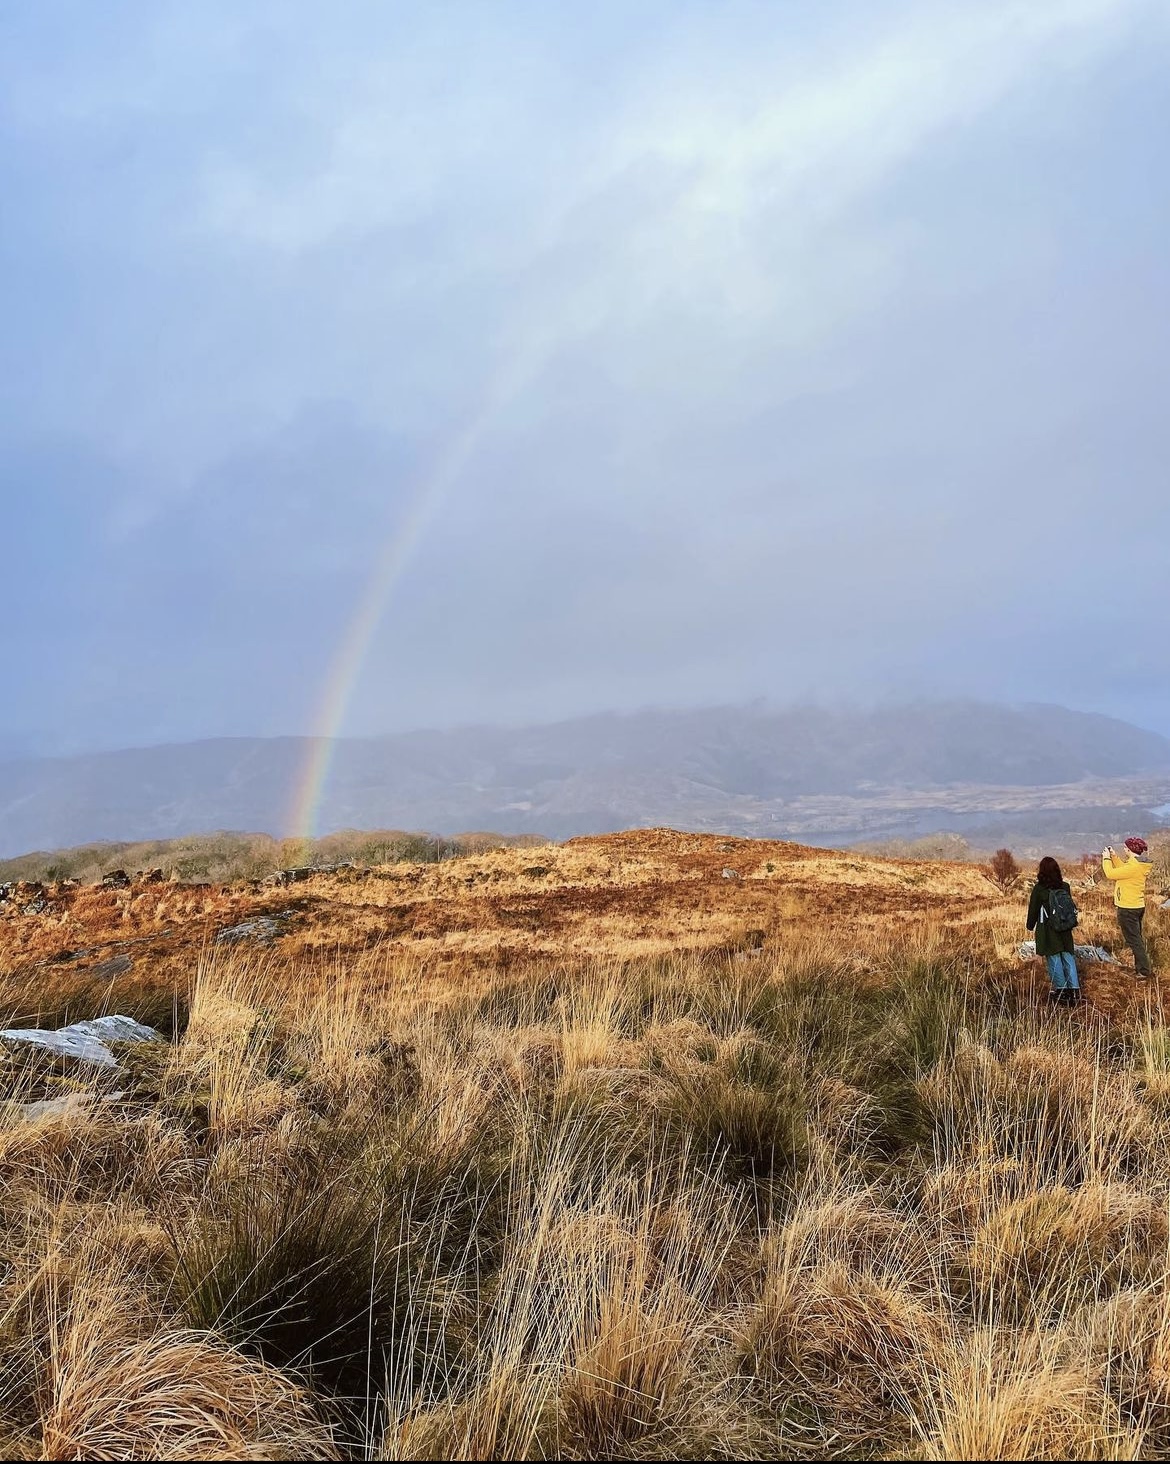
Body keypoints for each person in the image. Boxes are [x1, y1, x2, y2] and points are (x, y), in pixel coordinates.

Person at [1026, 856, 1081, 1003]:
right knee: (1068, 956)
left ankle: (1061, 992)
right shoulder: (1065, 886)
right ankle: (1074, 992)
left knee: (1054, 957)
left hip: (1048, 928)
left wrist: (1030, 925)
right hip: (1065, 927)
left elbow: (1033, 910)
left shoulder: (1039, 889)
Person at [1102, 837, 1154, 980]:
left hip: (1128, 908)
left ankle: (1143, 971)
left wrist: (1106, 859)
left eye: (1125, 848)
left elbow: (1110, 874)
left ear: (1130, 850)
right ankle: (1140, 970)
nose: (1124, 850)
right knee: (1136, 938)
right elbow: (1122, 869)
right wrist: (1113, 856)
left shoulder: (1134, 867)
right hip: (1136, 905)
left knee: (1134, 940)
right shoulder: (1137, 864)